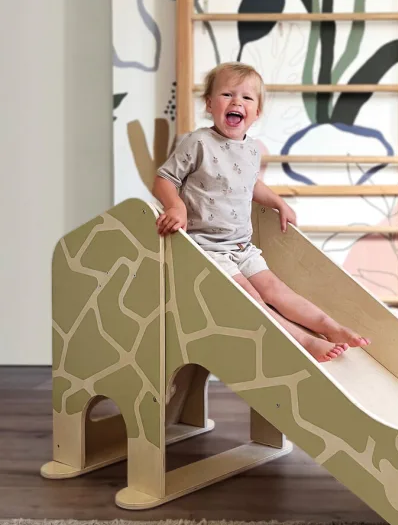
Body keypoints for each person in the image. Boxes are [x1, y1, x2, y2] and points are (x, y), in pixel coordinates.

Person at [152, 62, 370, 362]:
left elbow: (250, 183)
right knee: (252, 297)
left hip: (242, 247)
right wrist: (176, 206)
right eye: (227, 94)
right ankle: (303, 340)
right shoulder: (198, 142)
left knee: (276, 290)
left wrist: (278, 202)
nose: (236, 102)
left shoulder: (252, 148)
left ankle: (329, 326)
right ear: (210, 104)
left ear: (256, 112)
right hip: (206, 249)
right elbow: (164, 179)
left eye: (247, 97)